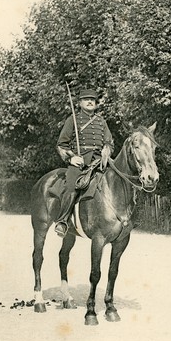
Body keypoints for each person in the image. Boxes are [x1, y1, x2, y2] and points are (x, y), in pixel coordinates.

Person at [54, 88, 113, 237]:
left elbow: (109, 142)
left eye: (92, 100)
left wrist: (107, 150)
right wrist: (71, 158)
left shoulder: (101, 121)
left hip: (99, 162)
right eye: (86, 99)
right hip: (80, 162)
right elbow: (61, 145)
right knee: (72, 186)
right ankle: (63, 220)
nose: (90, 102)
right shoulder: (72, 120)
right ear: (80, 103)